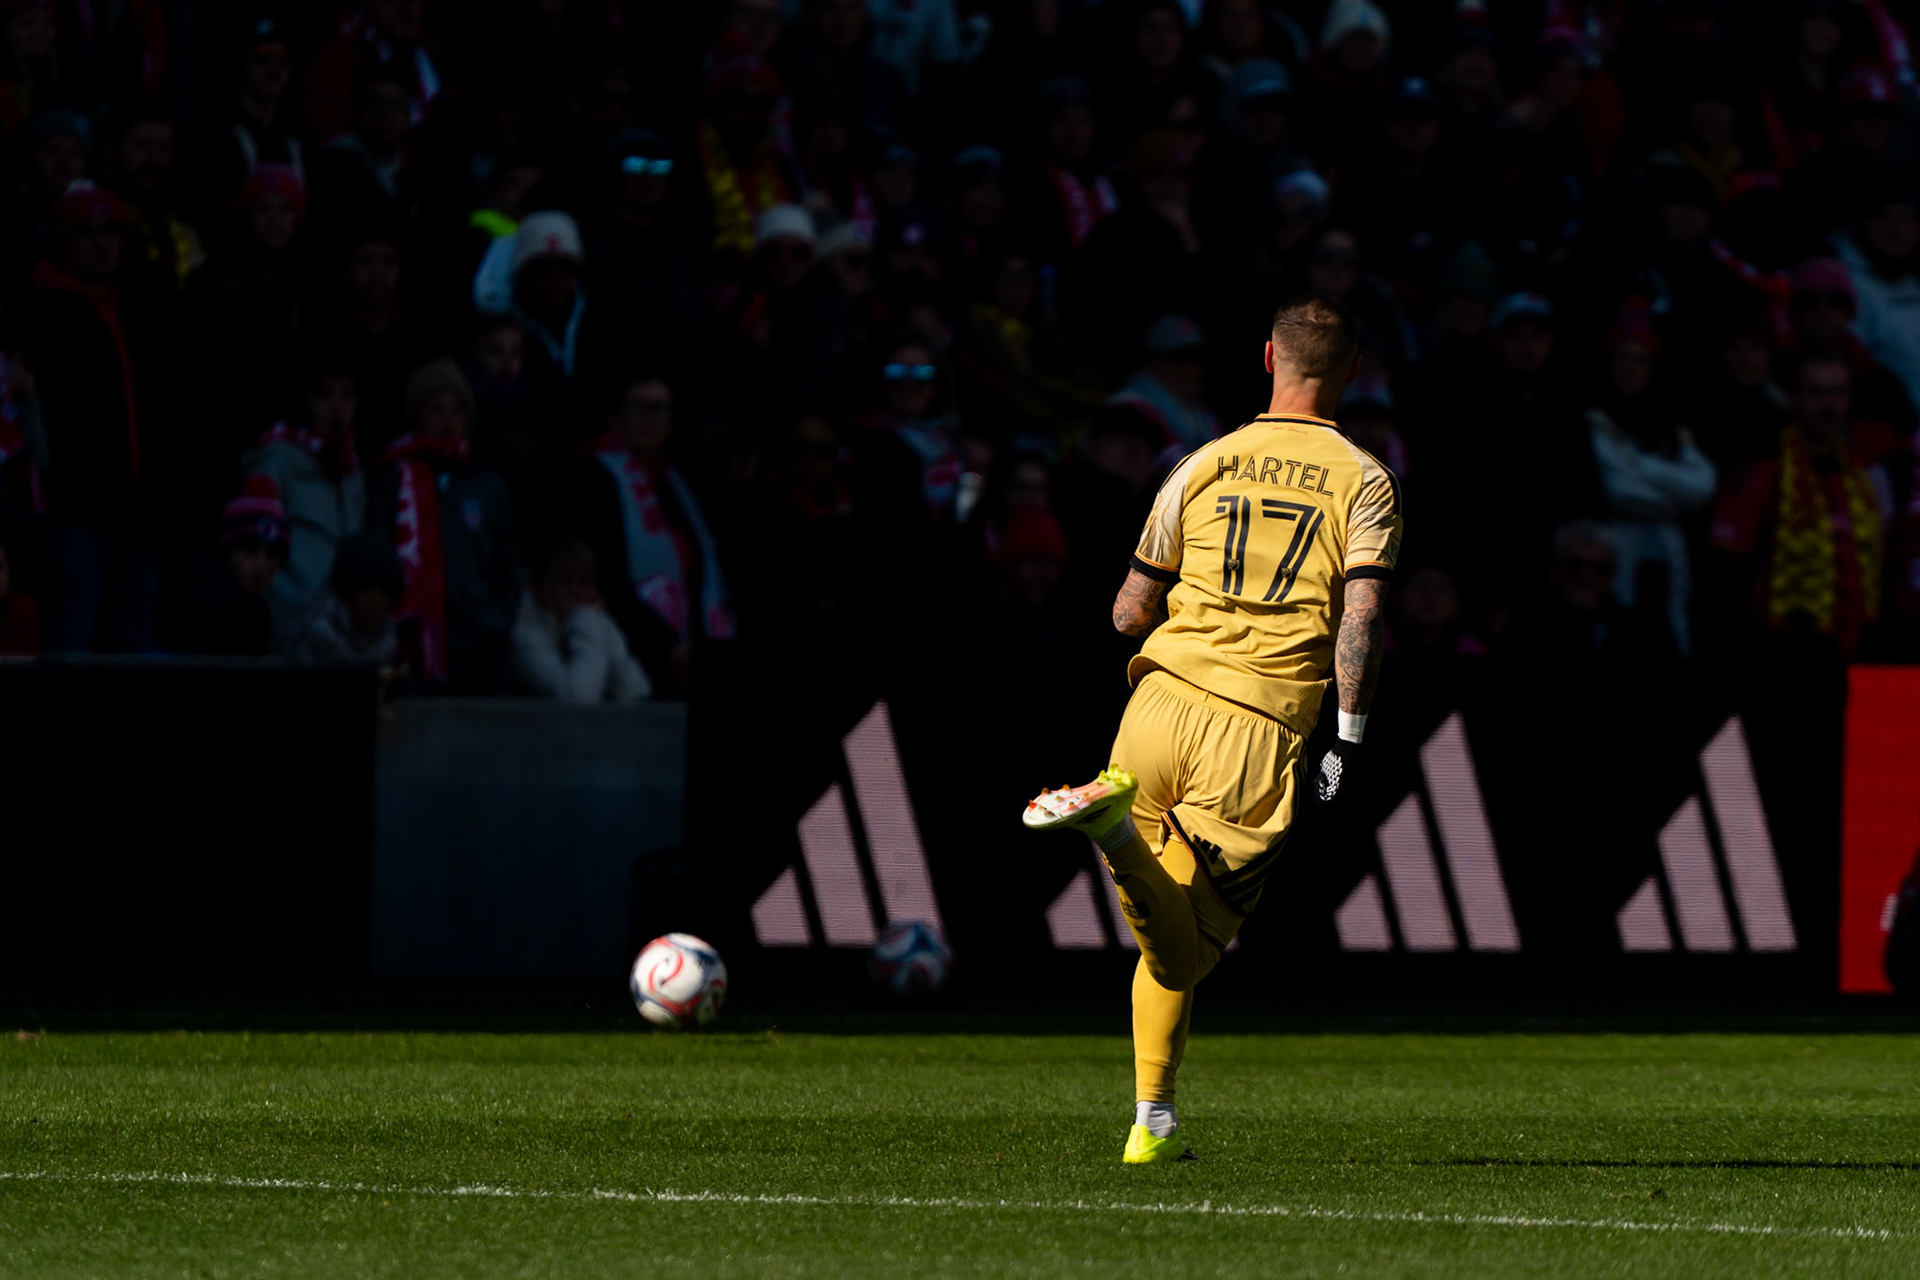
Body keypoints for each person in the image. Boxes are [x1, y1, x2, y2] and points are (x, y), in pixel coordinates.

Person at [1021, 294, 1401, 1163]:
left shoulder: (1202, 461)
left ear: (1267, 360)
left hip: (1151, 712)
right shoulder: (1365, 480)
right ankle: (1110, 831)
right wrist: (1348, 737)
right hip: (1255, 727)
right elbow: (1362, 622)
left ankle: (1152, 1123)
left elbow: (1126, 612)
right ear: (1351, 370)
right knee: (1192, 955)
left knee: (1164, 937)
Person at [368, 359, 521, 689]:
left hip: (479, 643)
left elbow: (508, 567)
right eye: (436, 408)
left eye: (457, 410)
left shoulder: (489, 485)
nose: (447, 420)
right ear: (416, 415)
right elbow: (378, 555)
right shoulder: (393, 479)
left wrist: (495, 621)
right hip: (408, 641)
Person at [239, 358, 367, 641]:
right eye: (326, 395)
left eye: (347, 396)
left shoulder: (353, 471)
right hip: (289, 627)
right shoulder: (277, 461)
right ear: (307, 401)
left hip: (342, 633)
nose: (338, 406)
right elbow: (252, 550)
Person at [511, 536, 651, 704]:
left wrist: (598, 622)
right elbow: (578, 698)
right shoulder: (523, 628)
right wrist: (585, 620)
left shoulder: (589, 617)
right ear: (537, 585)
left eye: (584, 582)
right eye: (564, 580)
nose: (575, 591)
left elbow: (636, 690)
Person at [289, 530, 403, 667]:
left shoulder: (389, 639)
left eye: (384, 592)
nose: (376, 603)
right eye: (366, 589)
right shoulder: (316, 633)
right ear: (346, 594)